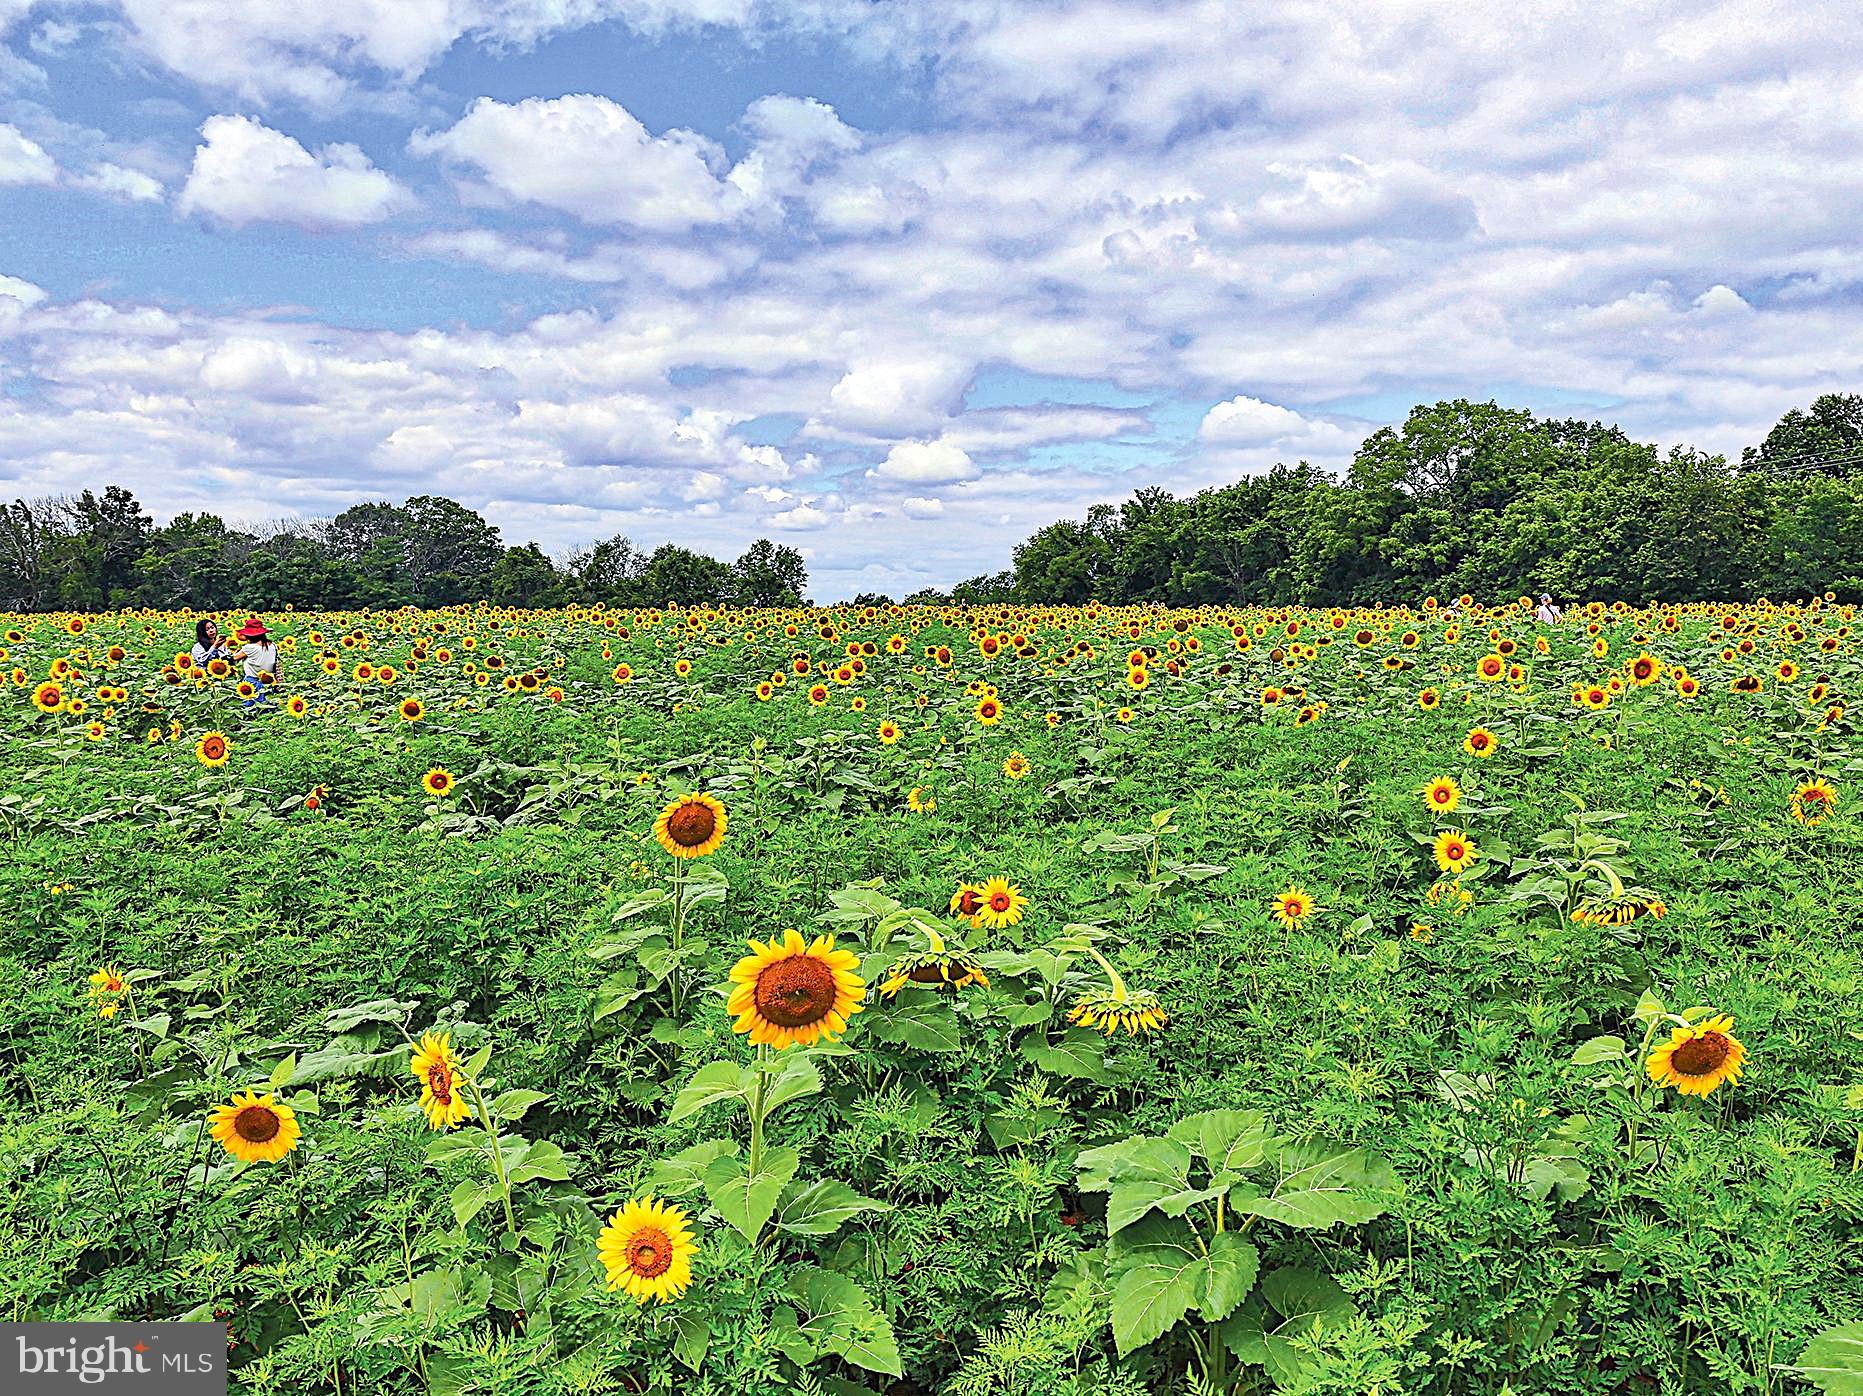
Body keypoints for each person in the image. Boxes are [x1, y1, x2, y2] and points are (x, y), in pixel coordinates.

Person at [232, 617, 280, 707]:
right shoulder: (273, 645)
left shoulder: (250, 648)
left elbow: (233, 658)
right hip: (268, 682)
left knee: (249, 710)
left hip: (252, 683)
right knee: (266, 709)